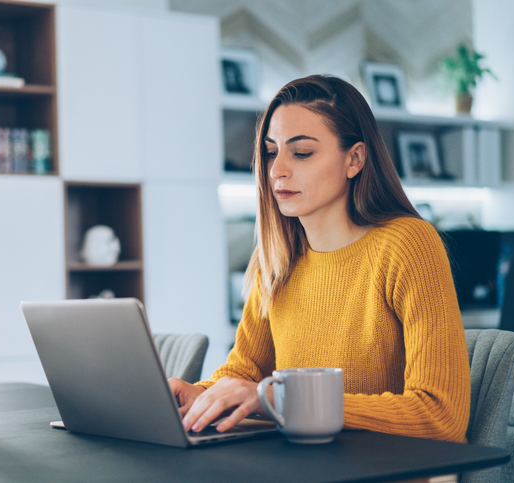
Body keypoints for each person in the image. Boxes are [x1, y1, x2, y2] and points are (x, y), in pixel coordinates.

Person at [169, 74, 471, 443]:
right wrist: (202, 395)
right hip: (300, 466)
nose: (277, 169)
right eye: (270, 151)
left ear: (354, 159)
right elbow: (244, 371)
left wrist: (282, 400)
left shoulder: (407, 245)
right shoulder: (276, 257)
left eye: (302, 152)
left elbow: (441, 415)